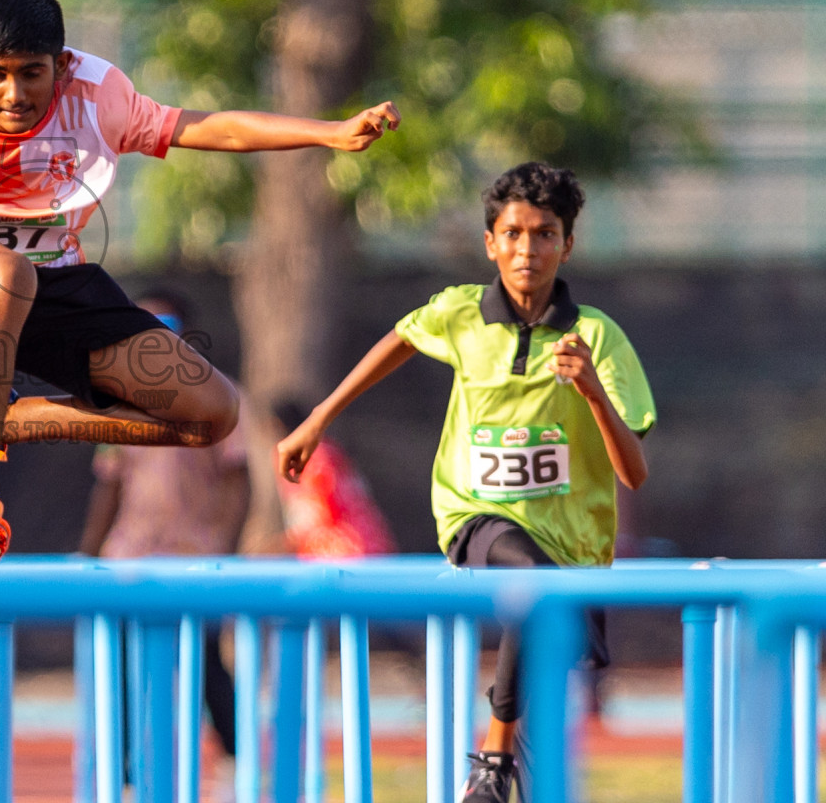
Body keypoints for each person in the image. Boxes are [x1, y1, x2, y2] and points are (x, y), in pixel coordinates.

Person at [0, 0, 400, 570]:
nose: (14, 95)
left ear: (61, 67)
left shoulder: (97, 97)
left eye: (32, 74)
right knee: (4, 270)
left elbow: (209, 127)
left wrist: (328, 132)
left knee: (210, 414)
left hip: (54, 283)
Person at [275, 162, 656, 803]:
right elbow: (399, 338)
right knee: (533, 588)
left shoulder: (597, 336)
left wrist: (592, 390)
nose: (526, 249)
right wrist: (318, 418)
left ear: (567, 244)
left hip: (573, 546)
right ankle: (491, 759)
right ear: (490, 243)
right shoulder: (460, 313)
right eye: (512, 234)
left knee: (545, 655)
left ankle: (518, 768)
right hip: (475, 516)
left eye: (543, 234)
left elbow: (633, 474)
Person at [75, 289, 246, 790]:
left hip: (195, 560)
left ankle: (235, 769)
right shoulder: (117, 403)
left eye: (163, 323)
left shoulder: (218, 398)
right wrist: (85, 558)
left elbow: (239, 481)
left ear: (186, 336)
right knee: (123, 668)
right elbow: (109, 484)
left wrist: (224, 552)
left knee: (205, 667)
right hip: (130, 558)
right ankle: (126, 780)